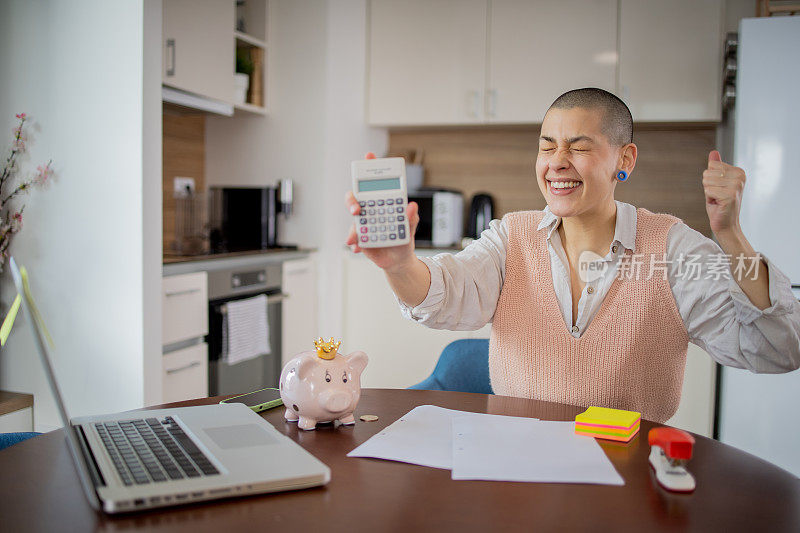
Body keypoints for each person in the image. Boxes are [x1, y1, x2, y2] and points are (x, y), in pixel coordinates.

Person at [344, 88, 800, 423]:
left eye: (579, 146)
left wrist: (731, 235)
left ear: (626, 158)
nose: (557, 161)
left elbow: (780, 349)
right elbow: (448, 294)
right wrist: (400, 264)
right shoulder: (512, 236)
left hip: (628, 469)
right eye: (547, 145)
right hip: (516, 462)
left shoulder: (673, 248)